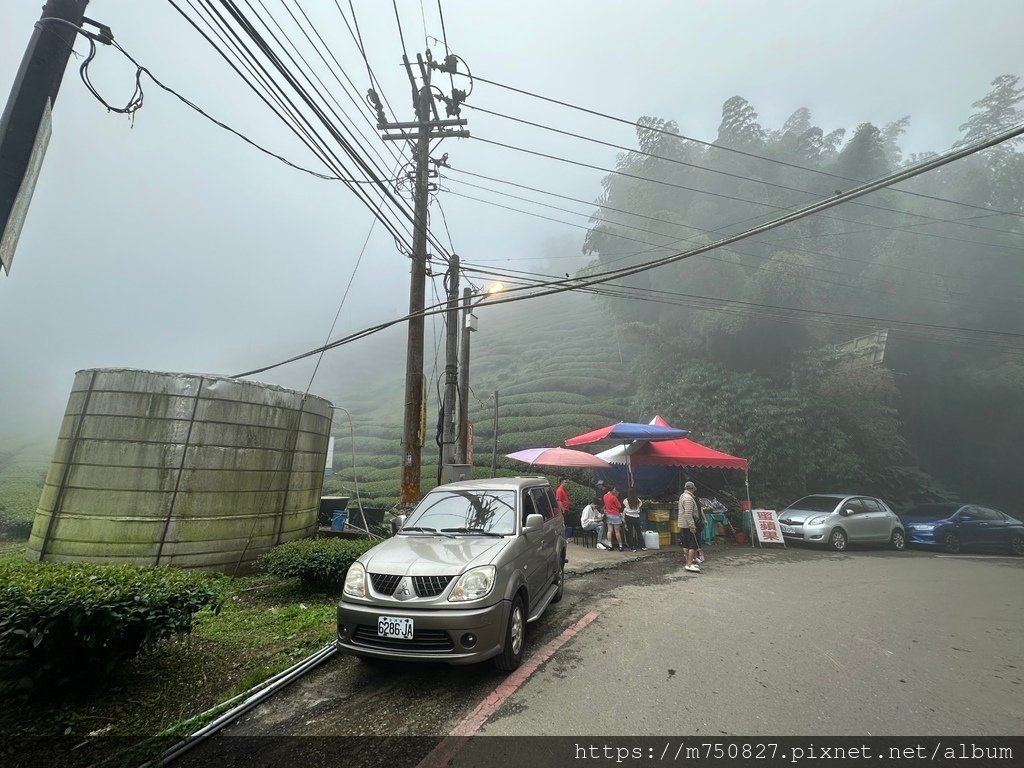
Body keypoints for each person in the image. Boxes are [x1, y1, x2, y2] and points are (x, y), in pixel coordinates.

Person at [678, 481, 701, 572]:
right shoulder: (688, 498)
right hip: (688, 525)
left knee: (685, 544)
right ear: (692, 489)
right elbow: (688, 513)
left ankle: (688, 561)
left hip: (683, 524)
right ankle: (689, 564)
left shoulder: (682, 496)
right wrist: (692, 525)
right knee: (692, 545)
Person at [603, 484, 626, 551]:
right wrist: (616, 496)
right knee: (617, 531)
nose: (615, 490)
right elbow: (619, 506)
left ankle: (610, 546)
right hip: (615, 515)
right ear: (612, 490)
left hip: (608, 515)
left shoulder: (604, 496)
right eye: (614, 489)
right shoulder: (614, 497)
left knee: (609, 531)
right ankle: (620, 546)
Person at [622, 486, 645, 551]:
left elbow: (625, 507)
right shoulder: (639, 501)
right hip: (636, 517)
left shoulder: (625, 500)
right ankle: (643, 546)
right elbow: (639, 507)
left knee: (630, 532)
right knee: (638, 532)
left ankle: (633, 547)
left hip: (628, 517)